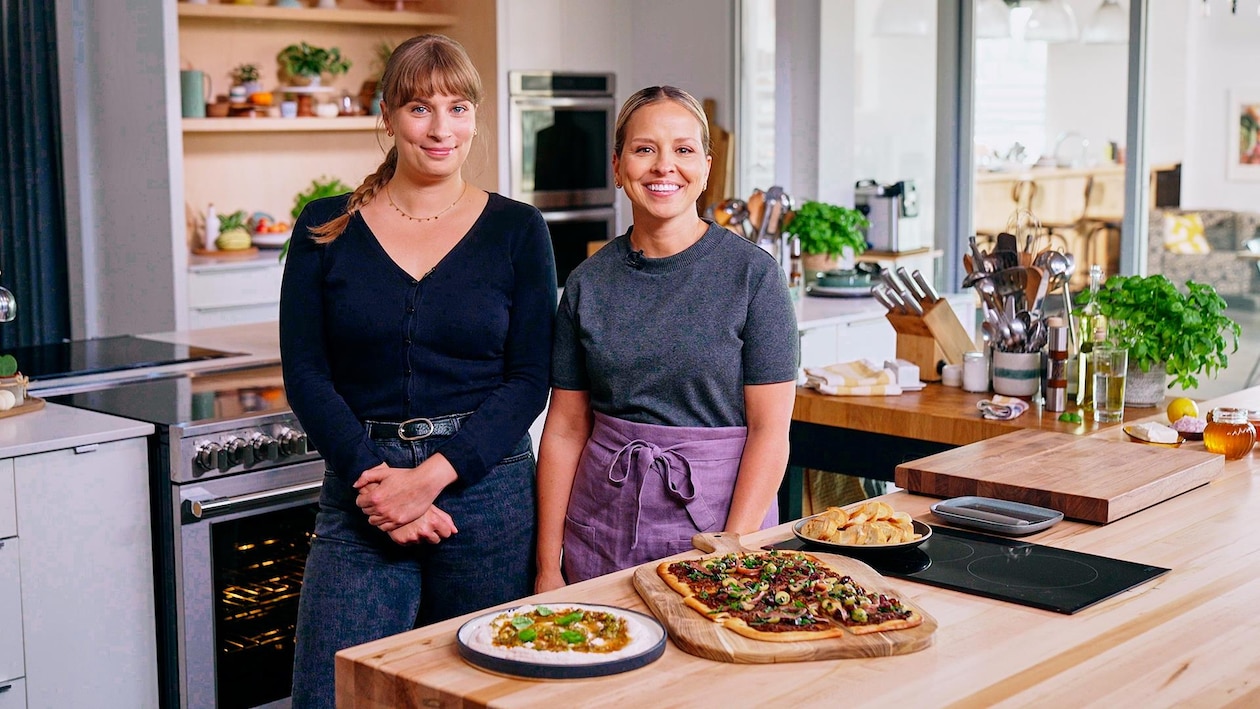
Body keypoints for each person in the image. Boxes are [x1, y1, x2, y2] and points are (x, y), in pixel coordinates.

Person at [280, 34, 556, 708]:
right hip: (362, 489)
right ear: (387, 115)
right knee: (330, 694)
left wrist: (429, 478)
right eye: (419, 108)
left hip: (488, 497)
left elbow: (529, 378)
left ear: (475, 118)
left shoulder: (519, 229)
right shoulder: (325, 226)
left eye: (458, 108)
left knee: (478, 695)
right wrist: (380, 486)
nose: (441, 129)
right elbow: (306, 372)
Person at [535, 86, 798, 590]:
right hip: (602, 527)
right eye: (644, 149)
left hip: (723, 531)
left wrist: (731, 552)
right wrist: (548, 566)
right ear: (618, 167)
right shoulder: (587, 283)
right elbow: (565, 430)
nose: (664, 166)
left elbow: (770, 432)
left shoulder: (754, 277)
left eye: (683, 149)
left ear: (705, 167)